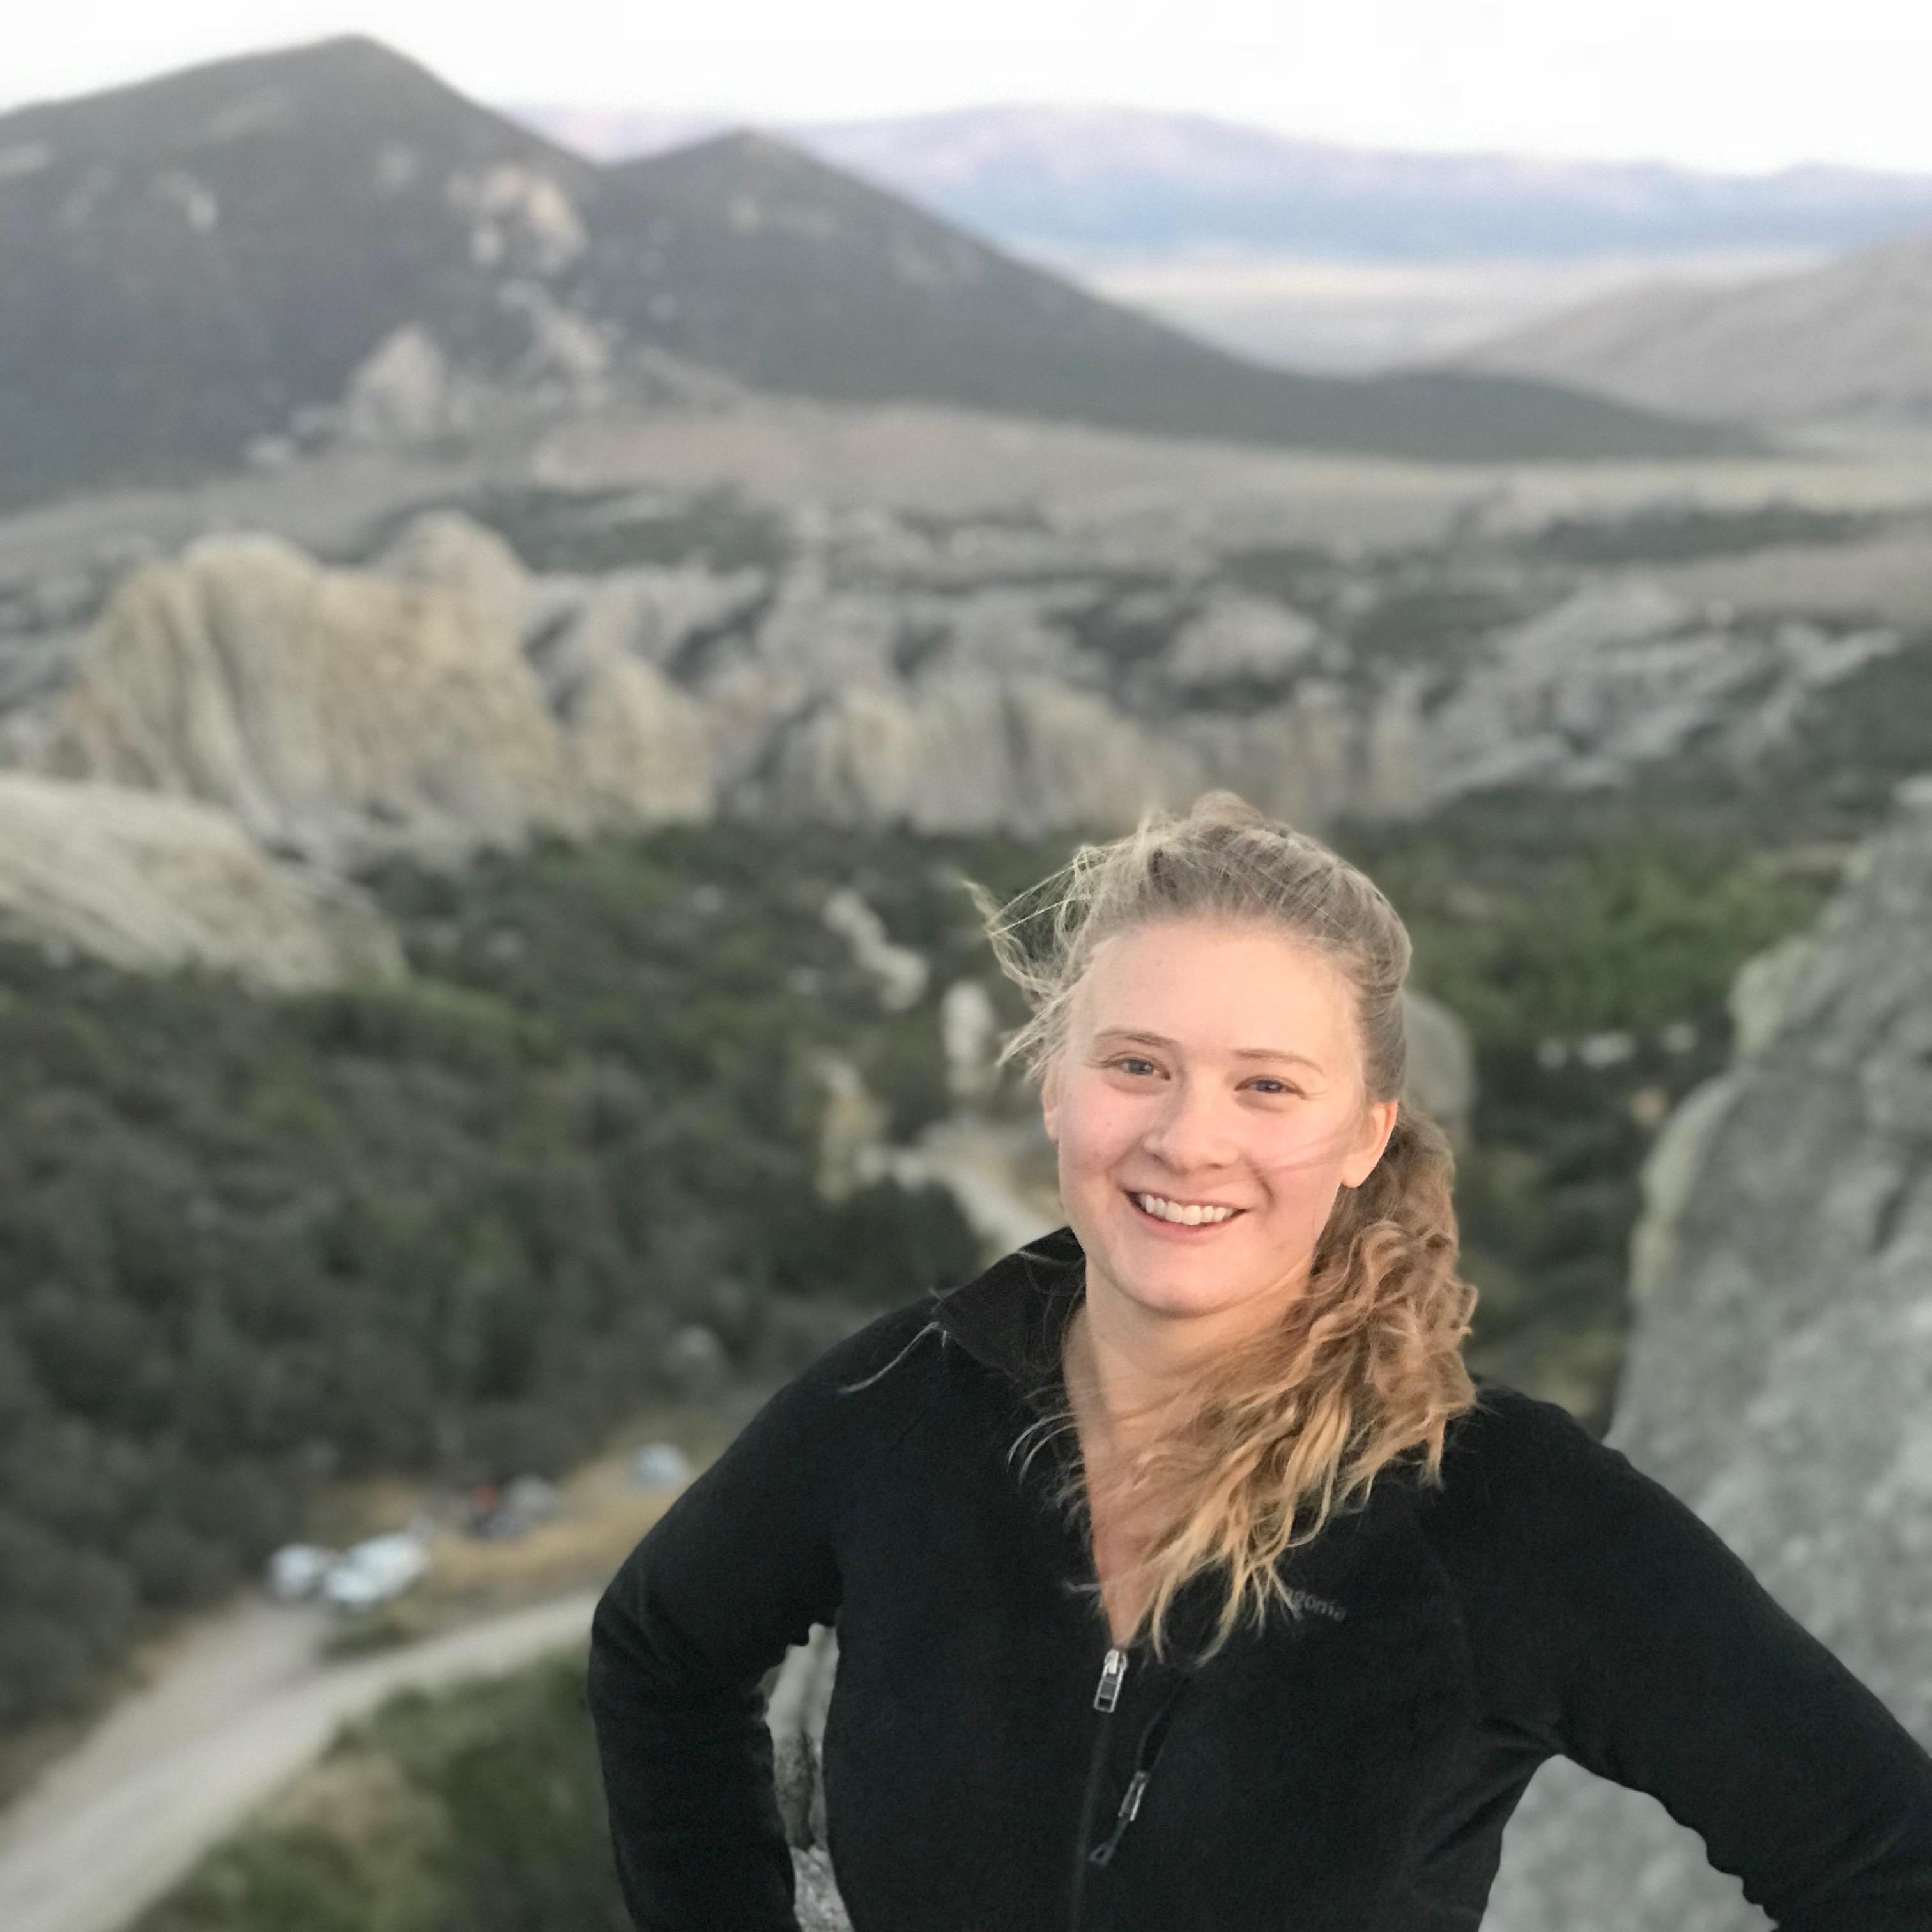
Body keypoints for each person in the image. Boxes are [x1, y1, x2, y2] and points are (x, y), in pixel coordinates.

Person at [586, 790, 1932, 1931]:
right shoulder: (906, 1400)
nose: (1188, 1140)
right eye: (1137, 1066)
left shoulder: (1495, 1508)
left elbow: (1882, 1857)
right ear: (1056, 1086)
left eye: (1268, 1085)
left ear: (1365, 1136)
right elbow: (660, 1650)